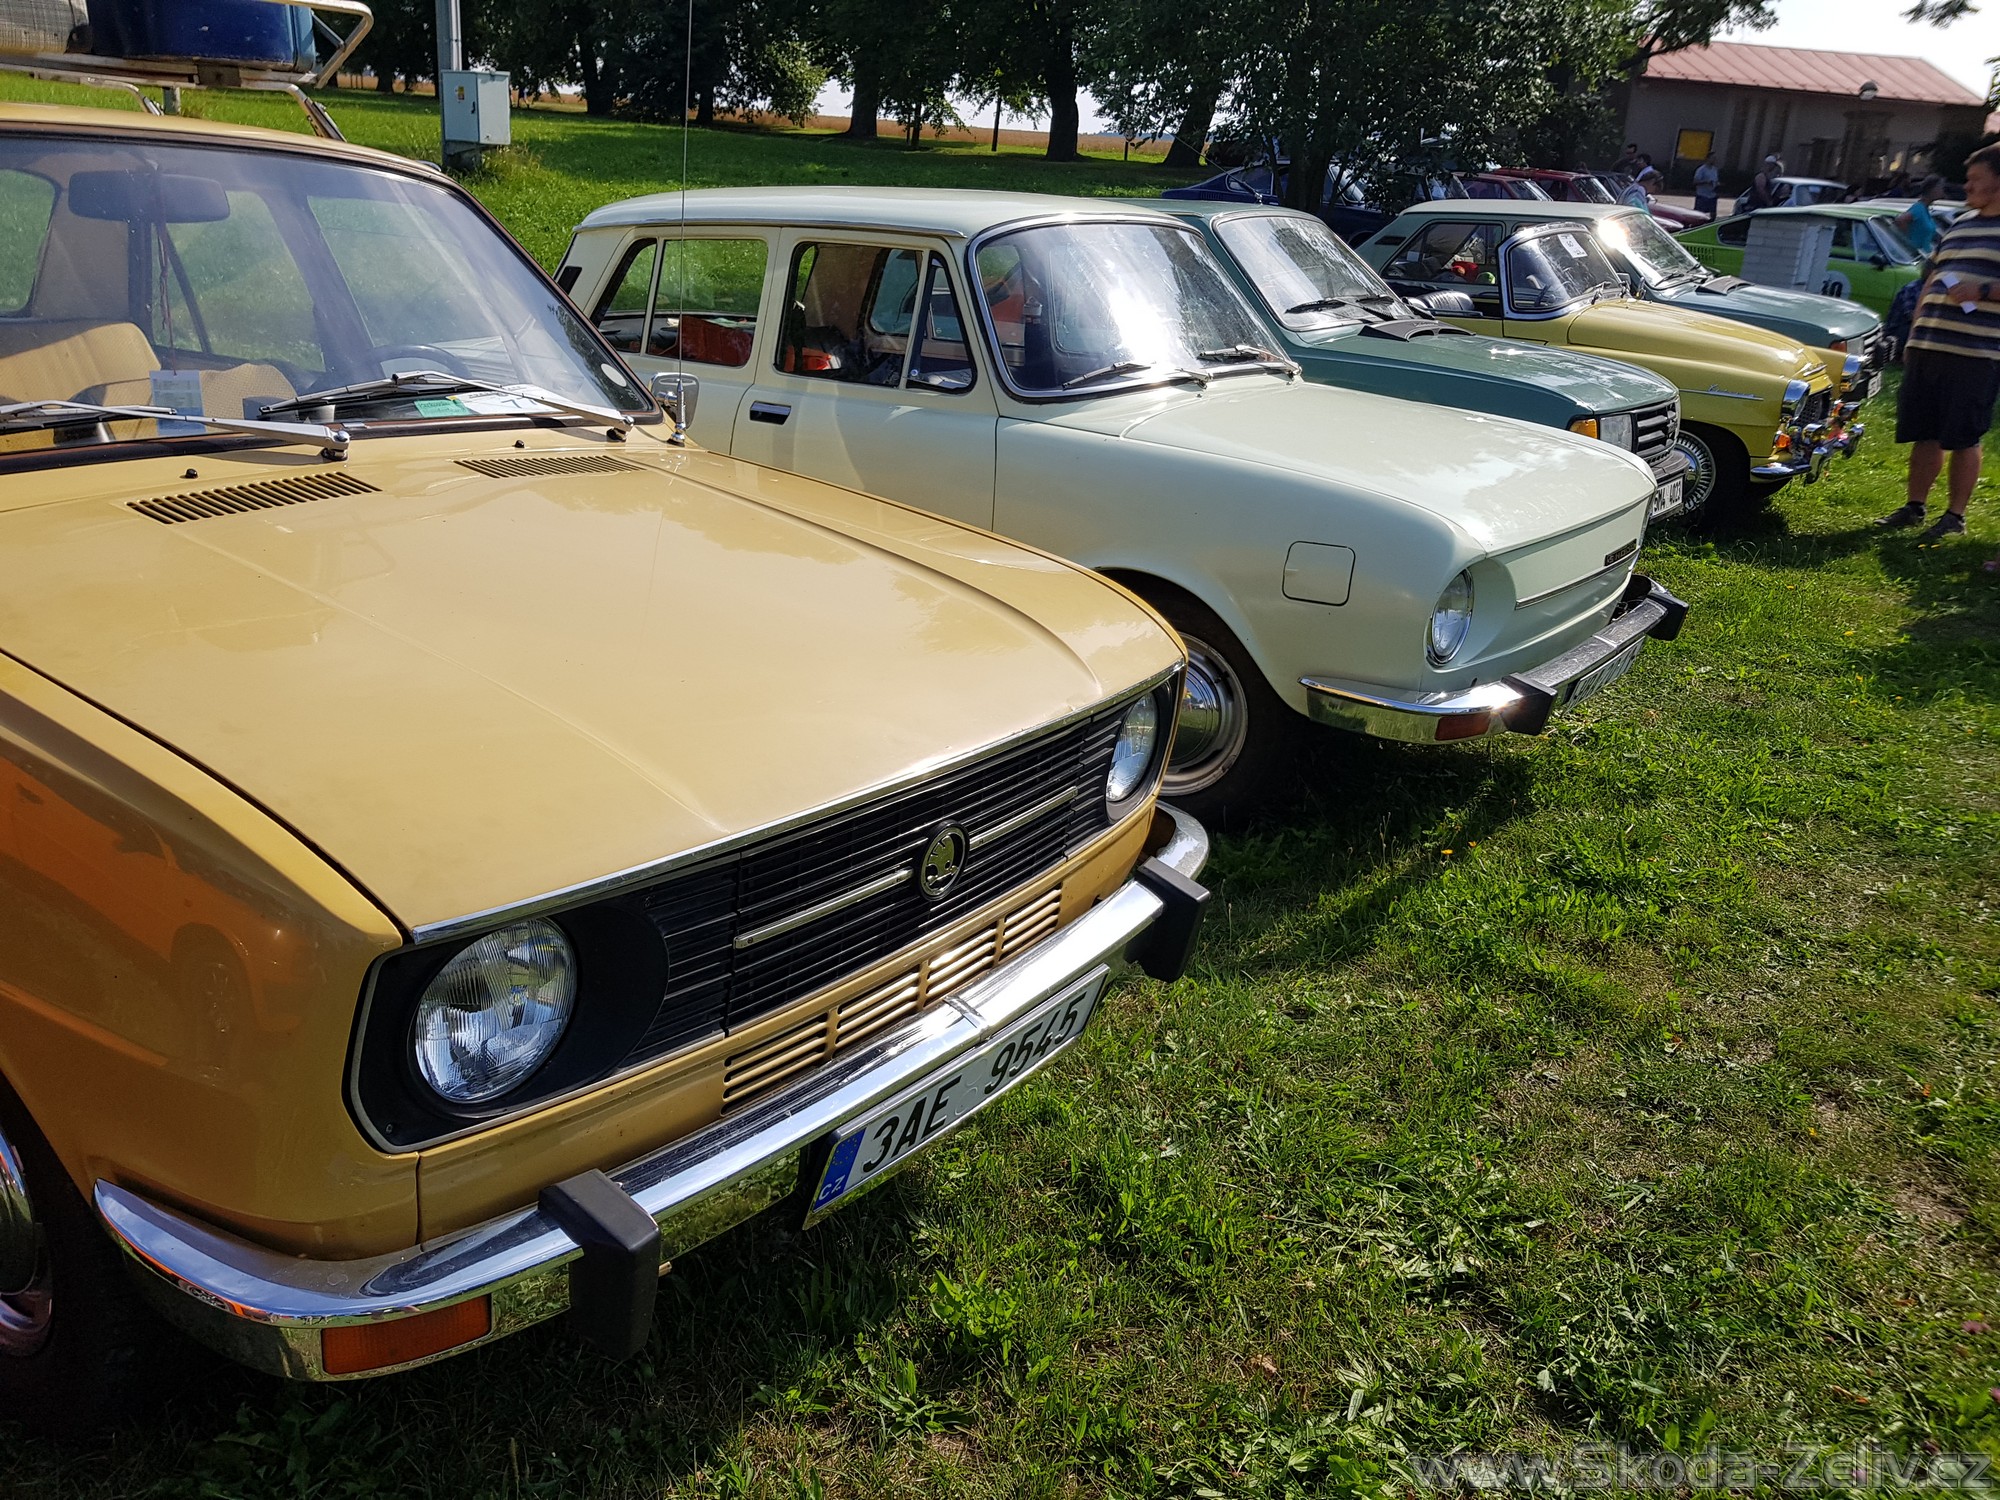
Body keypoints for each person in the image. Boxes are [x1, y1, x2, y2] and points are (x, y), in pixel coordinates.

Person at [1875, 143, 2000, 555]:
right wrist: (1915, 334)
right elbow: (1933, 278)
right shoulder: (1960, 224)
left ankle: (1954, 516)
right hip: (1930, 344)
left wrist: (1982, 290)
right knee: (1924, 431)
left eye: (1976, 179)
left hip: (1977, 353)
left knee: (1963, 435)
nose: (1967, 186)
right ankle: (1914, 507)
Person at [1896, 175, 1946, 256]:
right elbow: (1900, 220)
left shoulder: (1925, 209)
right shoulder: (1918, 208)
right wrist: (1909, 243)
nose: (1942, 191)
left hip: (1926, 255)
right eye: (1940, 188)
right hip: (1916, 255)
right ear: (1933, 189)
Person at [1692, 154, 1720, 218]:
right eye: (1713, 158)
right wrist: (1706, 182)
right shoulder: (1701, 169)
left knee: (1712, 215)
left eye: (1715, 158)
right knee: (1699, 215)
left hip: (1712, 197)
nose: (1714, 160)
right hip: (1702, 196)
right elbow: (1695, 182)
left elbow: (1715, 181)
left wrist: (1717, 185)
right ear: (1707, 159)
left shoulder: (1715, 170)